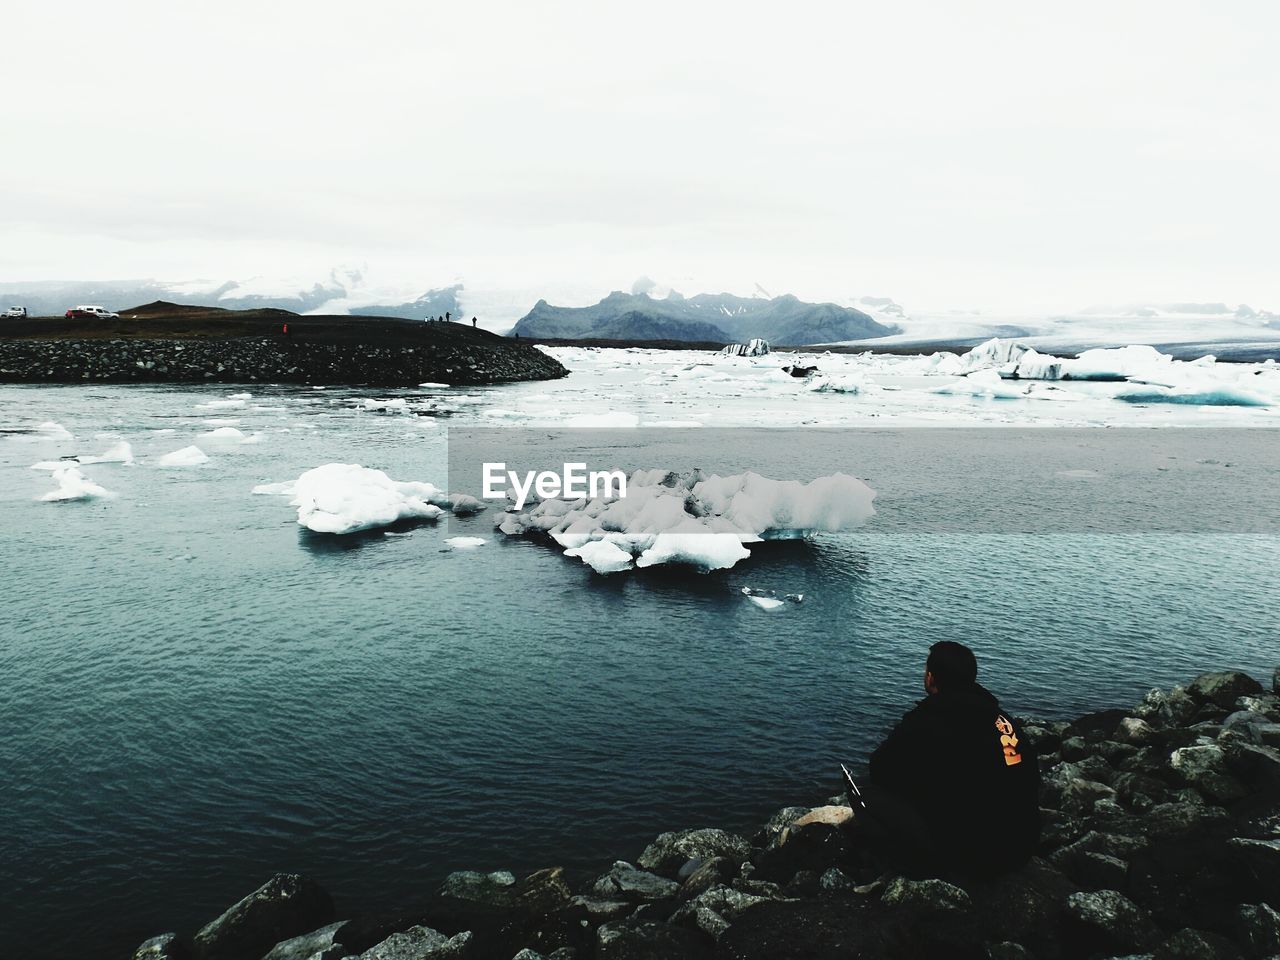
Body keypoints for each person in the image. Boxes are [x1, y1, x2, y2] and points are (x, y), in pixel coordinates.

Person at [858, 641, 1040, 879]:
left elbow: (879, 768)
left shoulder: (928, 719)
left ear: (931, 678)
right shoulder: (1001, 719)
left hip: (976, 858)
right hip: (1022, 848)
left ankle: (911, 865)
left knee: (868, 797)